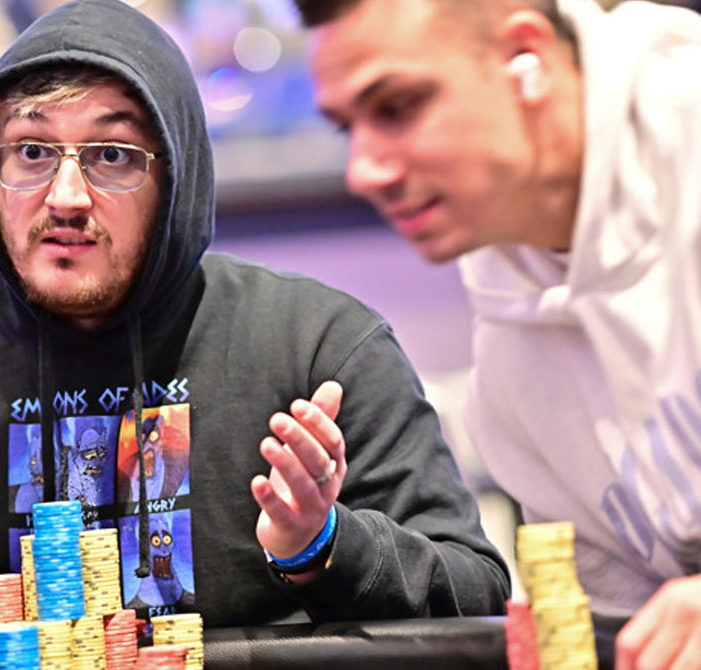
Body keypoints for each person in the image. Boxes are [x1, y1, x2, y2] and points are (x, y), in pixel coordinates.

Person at [0, 0, 510, 661]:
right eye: (31, 151)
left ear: (176, 177)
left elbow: (478, 604)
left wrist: (324, 545)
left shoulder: (320, 349)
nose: (66, 196)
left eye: (112, 154)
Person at [293, 0, 701, 668]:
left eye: (398, 106)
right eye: (347, 128)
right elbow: (616, 637)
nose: (364, 170)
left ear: (526, 57)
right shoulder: (511, 374)